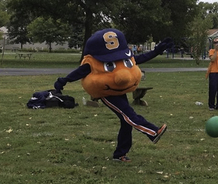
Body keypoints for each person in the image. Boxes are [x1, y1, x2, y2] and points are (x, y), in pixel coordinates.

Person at [54, 28, 173, 162]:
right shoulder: (94, 61)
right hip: (106, 93)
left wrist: (156, 51)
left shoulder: (122, 57)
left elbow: (139, 59)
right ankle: (152, 132)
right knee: (129, 115)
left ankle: (120, 154)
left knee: (126, 121)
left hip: (119, 91)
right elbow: (79, 72)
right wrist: (63, 81)